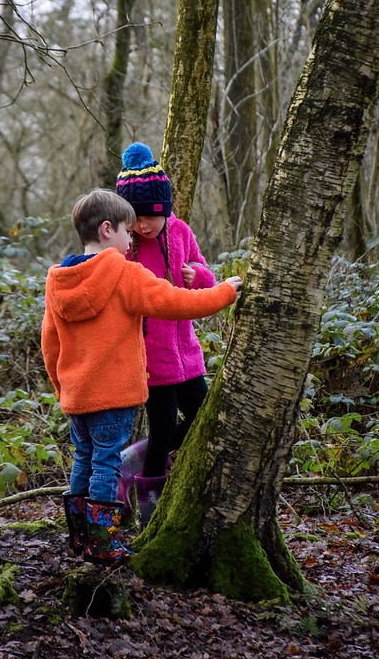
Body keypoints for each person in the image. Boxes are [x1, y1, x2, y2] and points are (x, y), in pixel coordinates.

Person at [41, 188, 242, 564]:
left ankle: (80, 537)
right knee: (105, 464)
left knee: (83, 460)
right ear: (106, 230)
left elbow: (49, 344)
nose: (130, 239)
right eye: (126, 232)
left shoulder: (58, 280)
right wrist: (224, 292)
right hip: (113, 397)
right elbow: (176, 302)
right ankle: (103, 543)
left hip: (76, 398)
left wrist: (62, 388)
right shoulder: (123, 273)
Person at [116, 142, 228, 526]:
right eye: (134, 218)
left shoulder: (180, 231)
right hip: (151, 358)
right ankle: (150, 511)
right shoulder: (127, 247)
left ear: (164, 210)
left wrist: (202, 278)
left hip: (188, 353)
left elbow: (201, 267)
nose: (142, 225)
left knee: (204, 415)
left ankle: (134, 457)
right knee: (162, 426)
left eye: (149, 217)